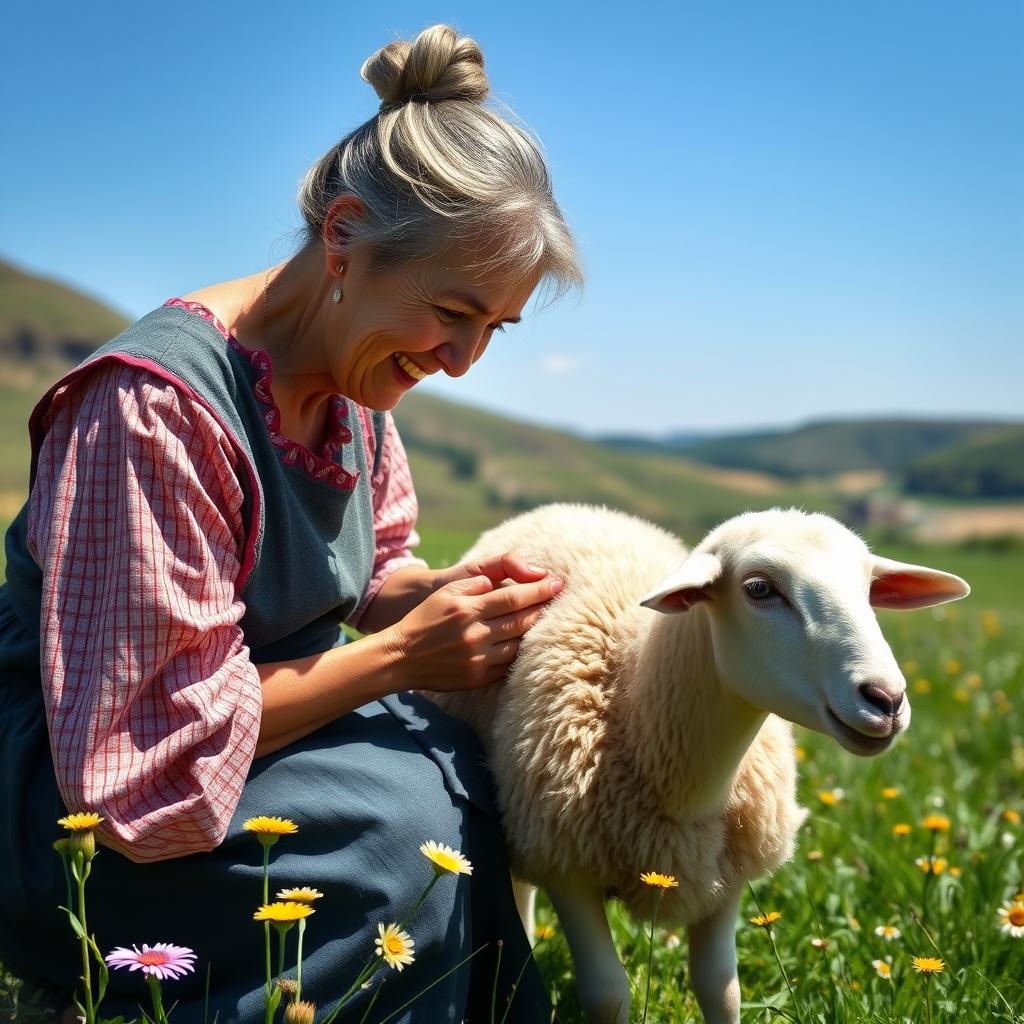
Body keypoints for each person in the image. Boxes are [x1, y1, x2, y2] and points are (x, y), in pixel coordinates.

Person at [0, 23, 583, 1024]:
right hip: (81, 806)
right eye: (453, 310)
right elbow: (142, 744)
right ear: (343, 236)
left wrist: (443, 599)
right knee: (398, 831)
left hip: (261, 736)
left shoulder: (351, 385)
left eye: (495, 327)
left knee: (462, 770)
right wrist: (404, 658)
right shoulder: (155, 411)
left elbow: (366, 568)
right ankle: (88, 987)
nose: (465, 359)